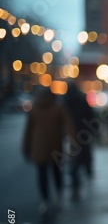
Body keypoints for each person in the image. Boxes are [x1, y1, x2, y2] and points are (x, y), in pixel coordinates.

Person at [22, 87, 76, 215]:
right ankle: (58, 196)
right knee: (56, 172)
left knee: (42, 175)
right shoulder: (58, 108)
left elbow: (28, 131)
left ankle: (45, 201)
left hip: (39, 147)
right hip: (55, 145)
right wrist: (73, 141)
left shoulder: (34, 109)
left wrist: (25, 148)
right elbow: (69, 125)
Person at [63, 82, 95, 201]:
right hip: (83, 132)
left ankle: (75, 186)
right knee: (85, 154)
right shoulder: (82, 99)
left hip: (71, 135)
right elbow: (90, 115)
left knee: (73, 161)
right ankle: (87, 170)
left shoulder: (65, 101)